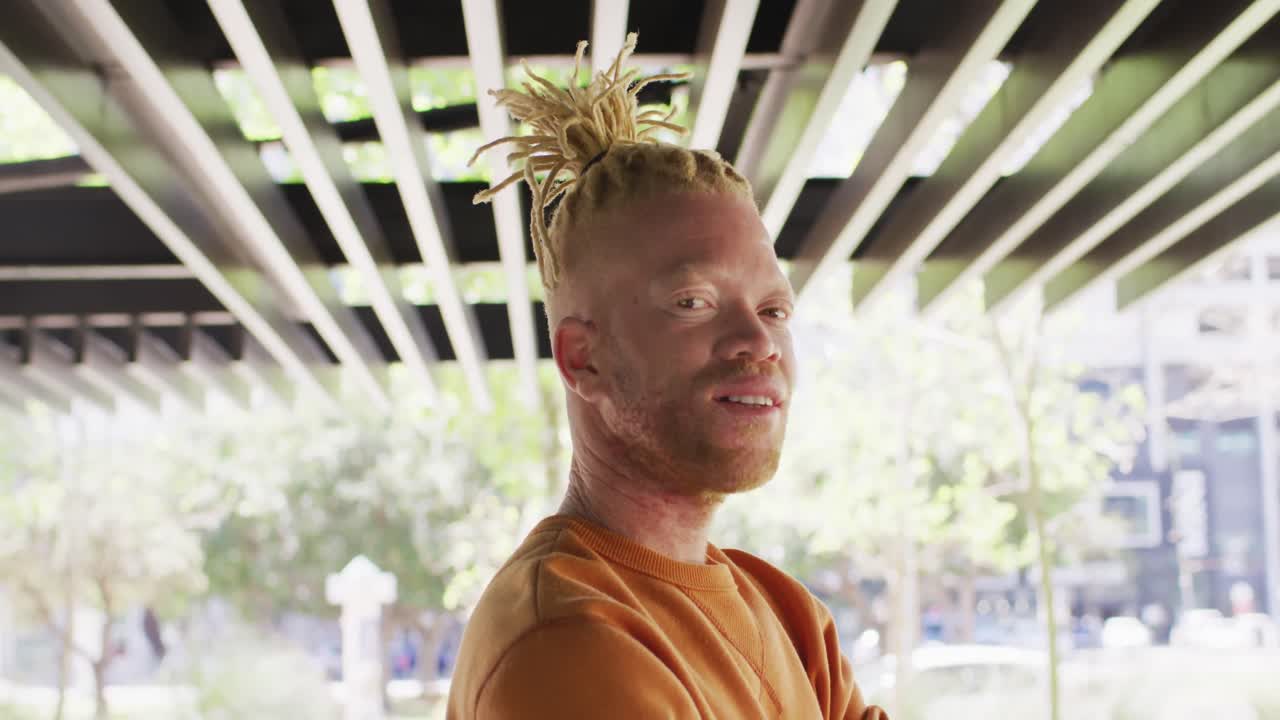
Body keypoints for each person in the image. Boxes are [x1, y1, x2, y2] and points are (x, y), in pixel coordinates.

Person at [446, 33, 886, 719]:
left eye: (773, 308)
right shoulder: (567, 641)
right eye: (693, 303)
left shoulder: (790, 617)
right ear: (582, 360)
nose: (758, 341)